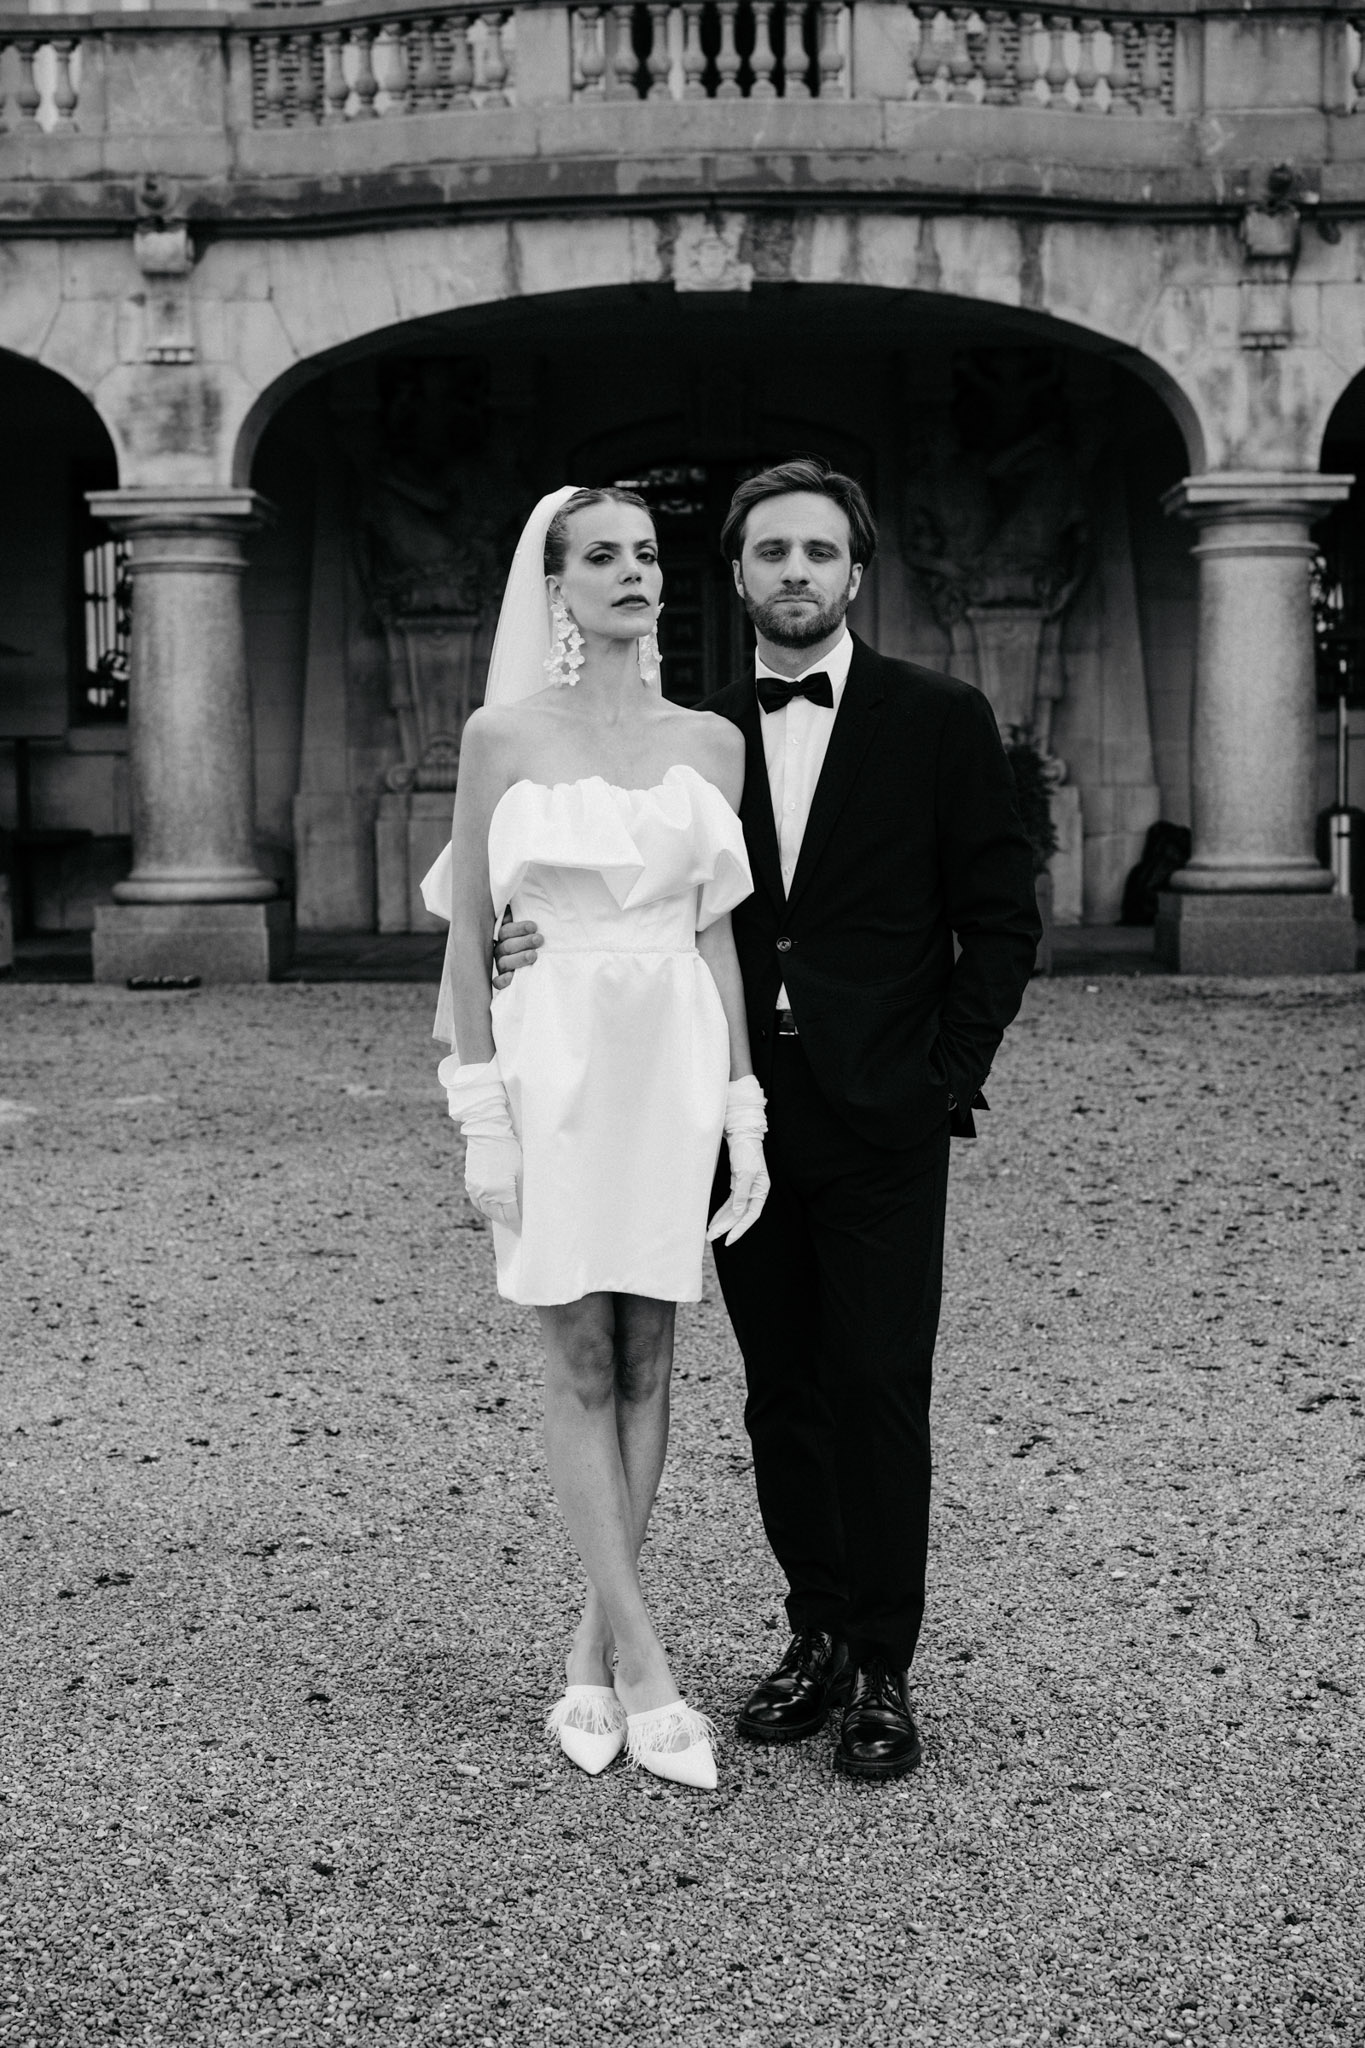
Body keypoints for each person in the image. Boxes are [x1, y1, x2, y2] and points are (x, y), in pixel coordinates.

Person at [496, 458, 1041, 1782]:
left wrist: (941, 1077)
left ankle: (884, 1663)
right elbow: (628, 887)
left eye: (819, 551)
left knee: (878, 1384)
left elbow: (1001, 920)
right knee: (780, 1388)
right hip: (723, 1108)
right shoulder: (693, 734)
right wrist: (523, 940)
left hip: (885, 1107)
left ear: (856, 571)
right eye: (772, 552)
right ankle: (816, 1633)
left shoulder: (941, 717)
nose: (796, 572)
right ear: (736, 575)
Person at [421, 485, 769, 1793]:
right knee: (575, 1351)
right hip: (550, 1049)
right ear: (555, 586)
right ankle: (650, 1670)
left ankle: (590, 1653)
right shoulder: (500, 735)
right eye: (603, 556)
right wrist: (481, 1112)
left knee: (649, 1353)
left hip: (670, 1052)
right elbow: (471, 934)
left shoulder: (711, 742)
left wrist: (742, 1104)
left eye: (647, 554)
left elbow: (716, 933)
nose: (633, 573)